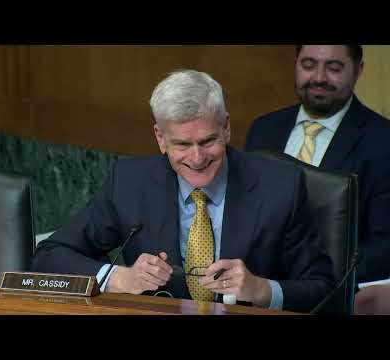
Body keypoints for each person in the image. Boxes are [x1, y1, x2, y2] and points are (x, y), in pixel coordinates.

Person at [32, 69, 335, 313]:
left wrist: (262, 290)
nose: (197, 158)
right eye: (182, 145)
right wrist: (119, 277)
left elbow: (326, 290)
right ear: (160, 138)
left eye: (208, 141)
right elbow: (49, 256)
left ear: (226, 128)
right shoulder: (128, 183)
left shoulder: (281, 187)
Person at [245, 45, 390, 284]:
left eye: (333, 67)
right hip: (254, 292)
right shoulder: (263, 129)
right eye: (308, 65)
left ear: (358, 70)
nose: (319, 78)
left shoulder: (382, 140)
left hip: (334, 294)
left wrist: (309, 282)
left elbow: (383, 244)